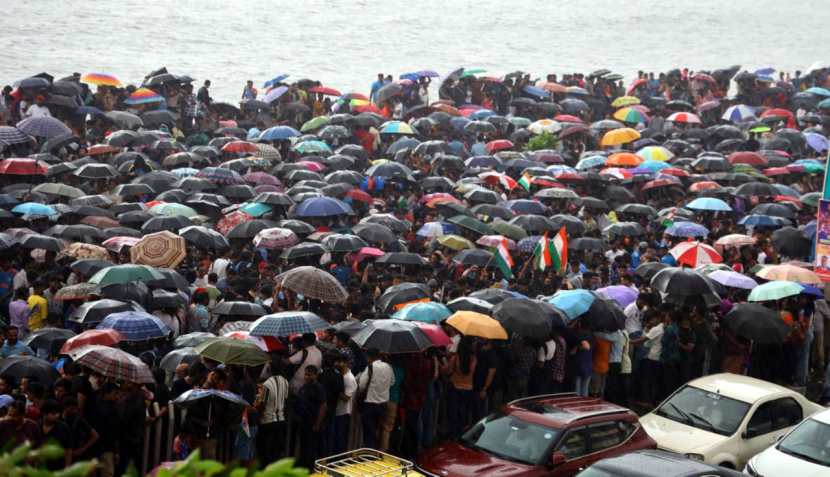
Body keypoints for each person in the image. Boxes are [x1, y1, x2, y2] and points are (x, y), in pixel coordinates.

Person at [357, 348, 394, 449]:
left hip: (370, 404)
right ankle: (375, 453)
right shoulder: (388, 366)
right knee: (377, 429)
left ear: (369, 357)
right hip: (383, 404)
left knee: (369, 433)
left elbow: (362, 385)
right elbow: (392, 382)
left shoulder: (370, 367)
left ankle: (368, 455)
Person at [295, 365, 326, 469]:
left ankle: (310, 468)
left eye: (309, 375)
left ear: (315, 375)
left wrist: (317, 424)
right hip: (303, 422)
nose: (306, 377)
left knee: (311, 448)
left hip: (312, 423)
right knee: (304, 446)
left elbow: (323, 406)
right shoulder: (304, 387)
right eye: (305, 374)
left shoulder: (318, 388)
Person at [334, 351, 356, 454]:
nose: (337, 364)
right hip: (337, 411)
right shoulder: (340, 375)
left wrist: (334, 390)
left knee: (340, 439)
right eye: (337, 361)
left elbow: (347, 397)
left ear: (346, 363)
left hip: (343, 413)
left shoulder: (349, 378)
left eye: (340, 362)